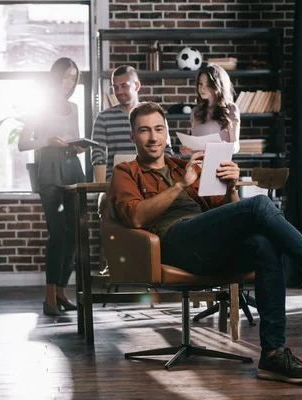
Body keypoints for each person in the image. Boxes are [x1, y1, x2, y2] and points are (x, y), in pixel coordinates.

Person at [107, 101, 302, 384]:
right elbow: (136, 217)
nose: (153, 137)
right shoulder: (126, 172)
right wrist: (179, 186)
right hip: (172, 243)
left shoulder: (184, 166)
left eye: (158, 129)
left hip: (205, 245)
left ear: (166, 132)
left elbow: (228, 214)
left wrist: (229, 189)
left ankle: (273, 354)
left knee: (263, 244)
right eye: (144, 131)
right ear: (133, 136)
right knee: (260, 203)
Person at [18, 57, 86, 317]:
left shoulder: (75, 107)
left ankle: (61, 292)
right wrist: (46, 141)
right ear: (55, 77)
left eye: (73, 78)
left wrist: (78, 146)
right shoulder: (40, 106)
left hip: (72, 169)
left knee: (73, 235)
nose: (68, 83)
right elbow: (23, 143)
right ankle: (49, 299)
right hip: (49, 171)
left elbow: (74, 140)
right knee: (58, 233)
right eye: (65, 77)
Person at [90, 65, 172, 275]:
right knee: (107, 203)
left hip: (151, 180)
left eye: (124, 86)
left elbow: (167, 151)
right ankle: (115, 262)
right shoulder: (104, 118)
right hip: (116, 183)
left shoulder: (154, 117)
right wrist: (103, 186)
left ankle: (158, 260)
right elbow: (98, 154)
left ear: (136, 85)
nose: (118, 92)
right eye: (115, 87)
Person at [179, 63, 241, 155]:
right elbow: (196, 147)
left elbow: (235, 146)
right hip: (197, 166)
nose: (202, 88)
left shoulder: (230, 109)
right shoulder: (195, 112)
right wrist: (187, 150)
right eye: (200, 83)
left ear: (217, 85)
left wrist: (225, 147)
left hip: (220, 165)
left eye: (207, 85)